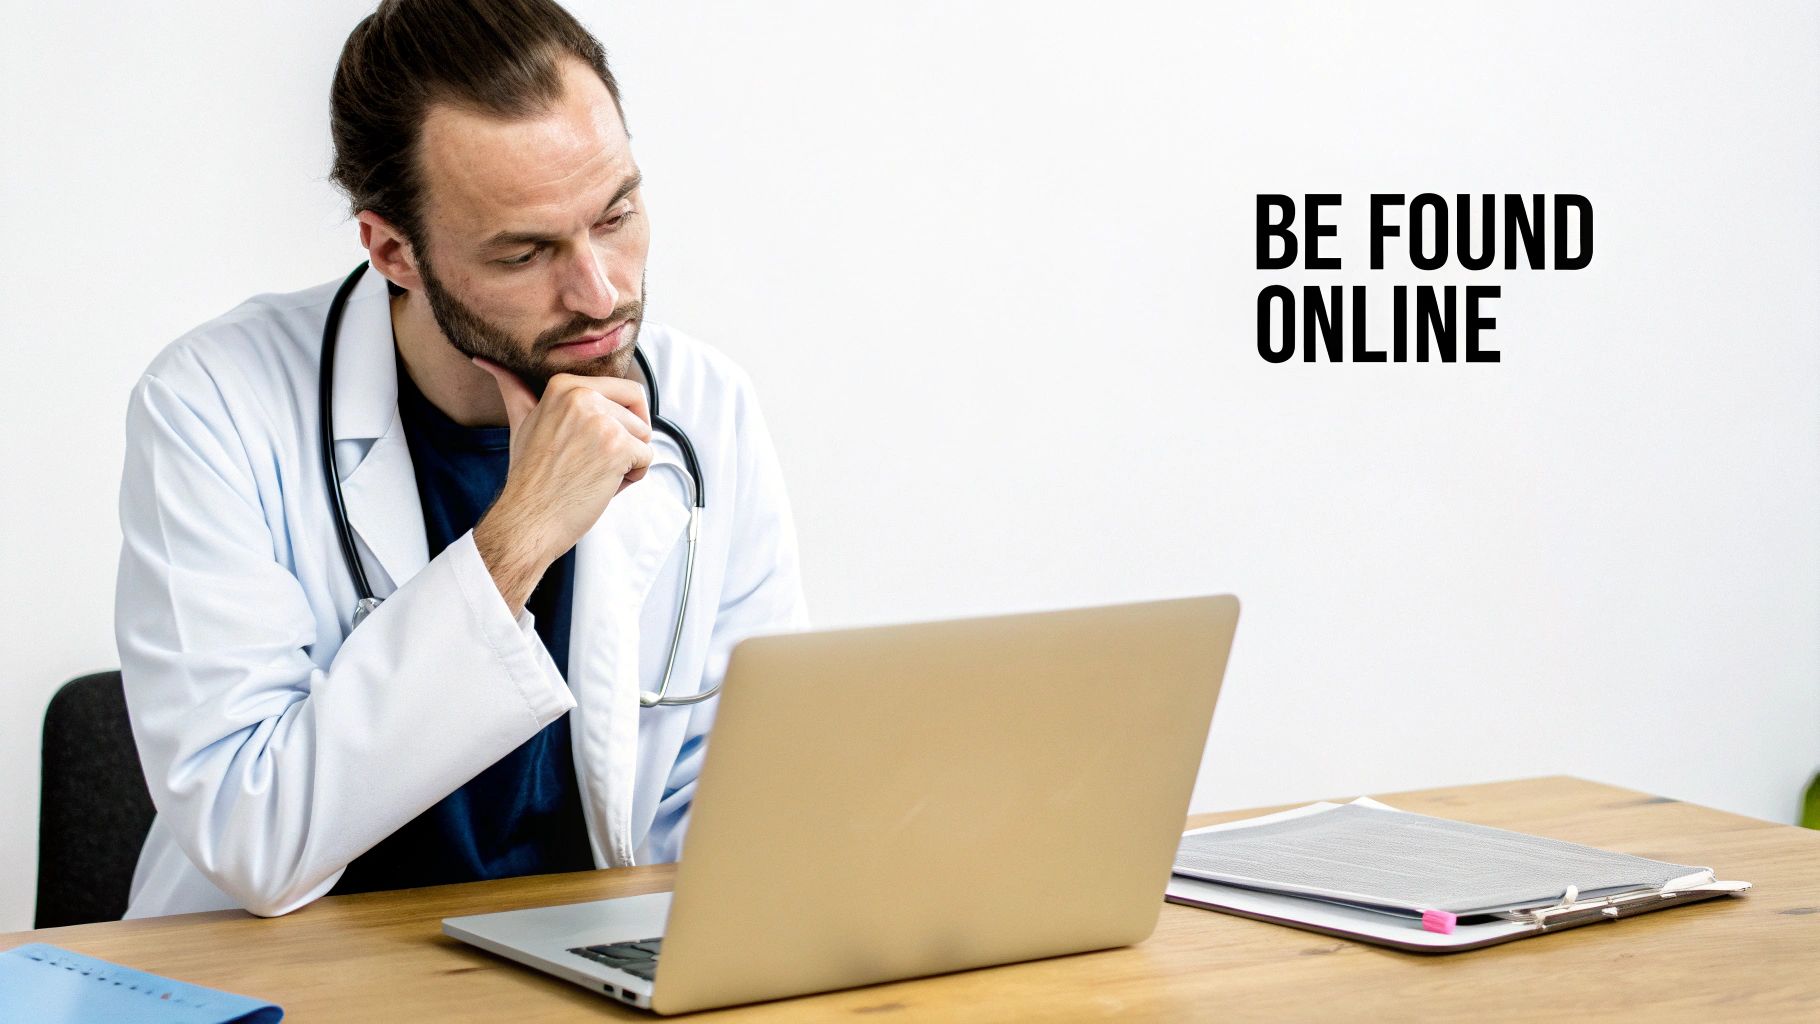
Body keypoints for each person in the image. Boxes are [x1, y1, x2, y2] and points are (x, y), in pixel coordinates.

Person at [113, 0, 807, 918]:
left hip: (578, 961)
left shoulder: (706, 407)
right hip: (282, 970)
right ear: (392, 250)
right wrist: (520, 536)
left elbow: (747, 805)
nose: (600, 293)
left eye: (615, 216)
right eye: (524, 253)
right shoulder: (214, 404)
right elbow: (254, 835)